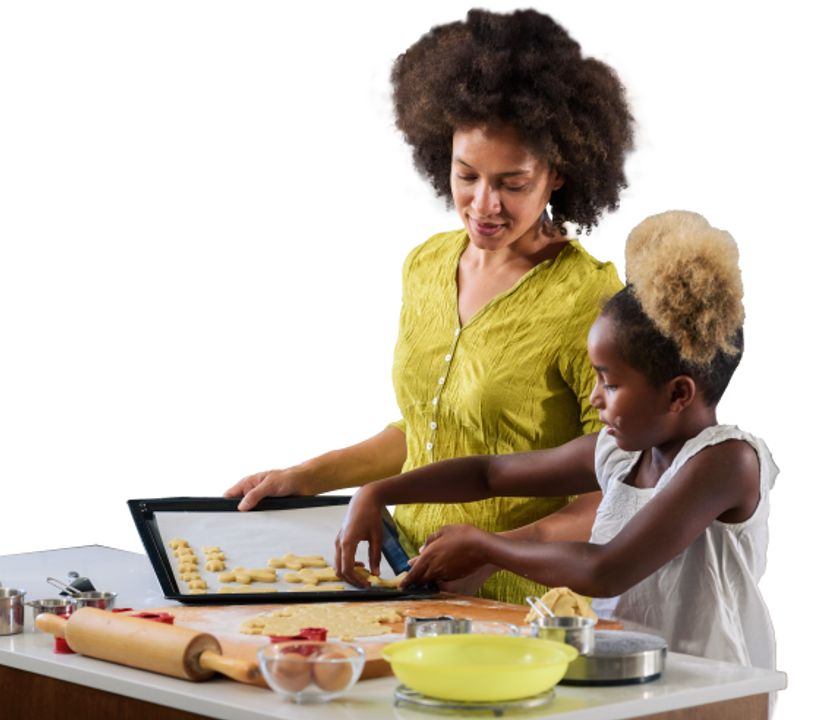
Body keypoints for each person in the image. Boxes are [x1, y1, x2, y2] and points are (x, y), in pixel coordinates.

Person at [220, 5, 654, 606]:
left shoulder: (593, 302)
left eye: (512, 183)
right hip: (406, 580)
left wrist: (494, 550)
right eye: (466, 174)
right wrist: (301, 476)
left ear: (558, 172)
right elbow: (428, 433)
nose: (483, 204)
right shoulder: (424, 264)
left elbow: (616, 487)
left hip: (526, 606)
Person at [335, 206, 780, 680]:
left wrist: (488, 548)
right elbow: (491, 473)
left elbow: (605, 569)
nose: (594, 397)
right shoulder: (620, 452)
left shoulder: (727, 461)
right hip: (624, 671)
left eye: (609, 384)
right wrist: (379, 491)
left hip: (708, 689)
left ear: (677, 393)